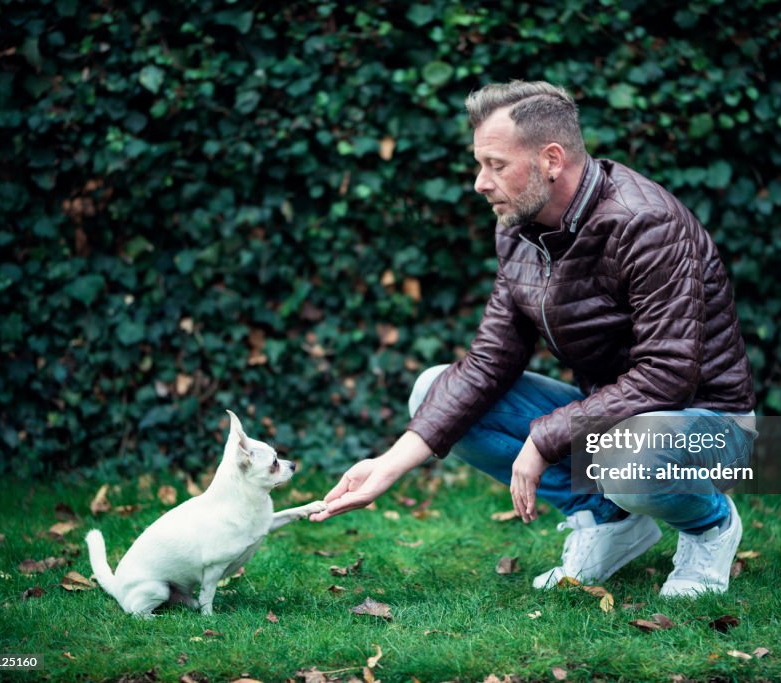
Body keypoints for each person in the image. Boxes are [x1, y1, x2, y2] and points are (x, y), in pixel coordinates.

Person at [311, 80, 757, 597]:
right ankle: (611, 521)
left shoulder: (645, 223)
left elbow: (668, 375)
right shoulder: (519, 229)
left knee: (627, 455)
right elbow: (488, 364)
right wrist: (387, 466)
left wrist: (545, 439)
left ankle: (710, 526)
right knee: (433, 387)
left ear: (551, 159)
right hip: (612, 422)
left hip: (710, 426)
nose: (480, 182)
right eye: (480, 164)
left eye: (496, 165)